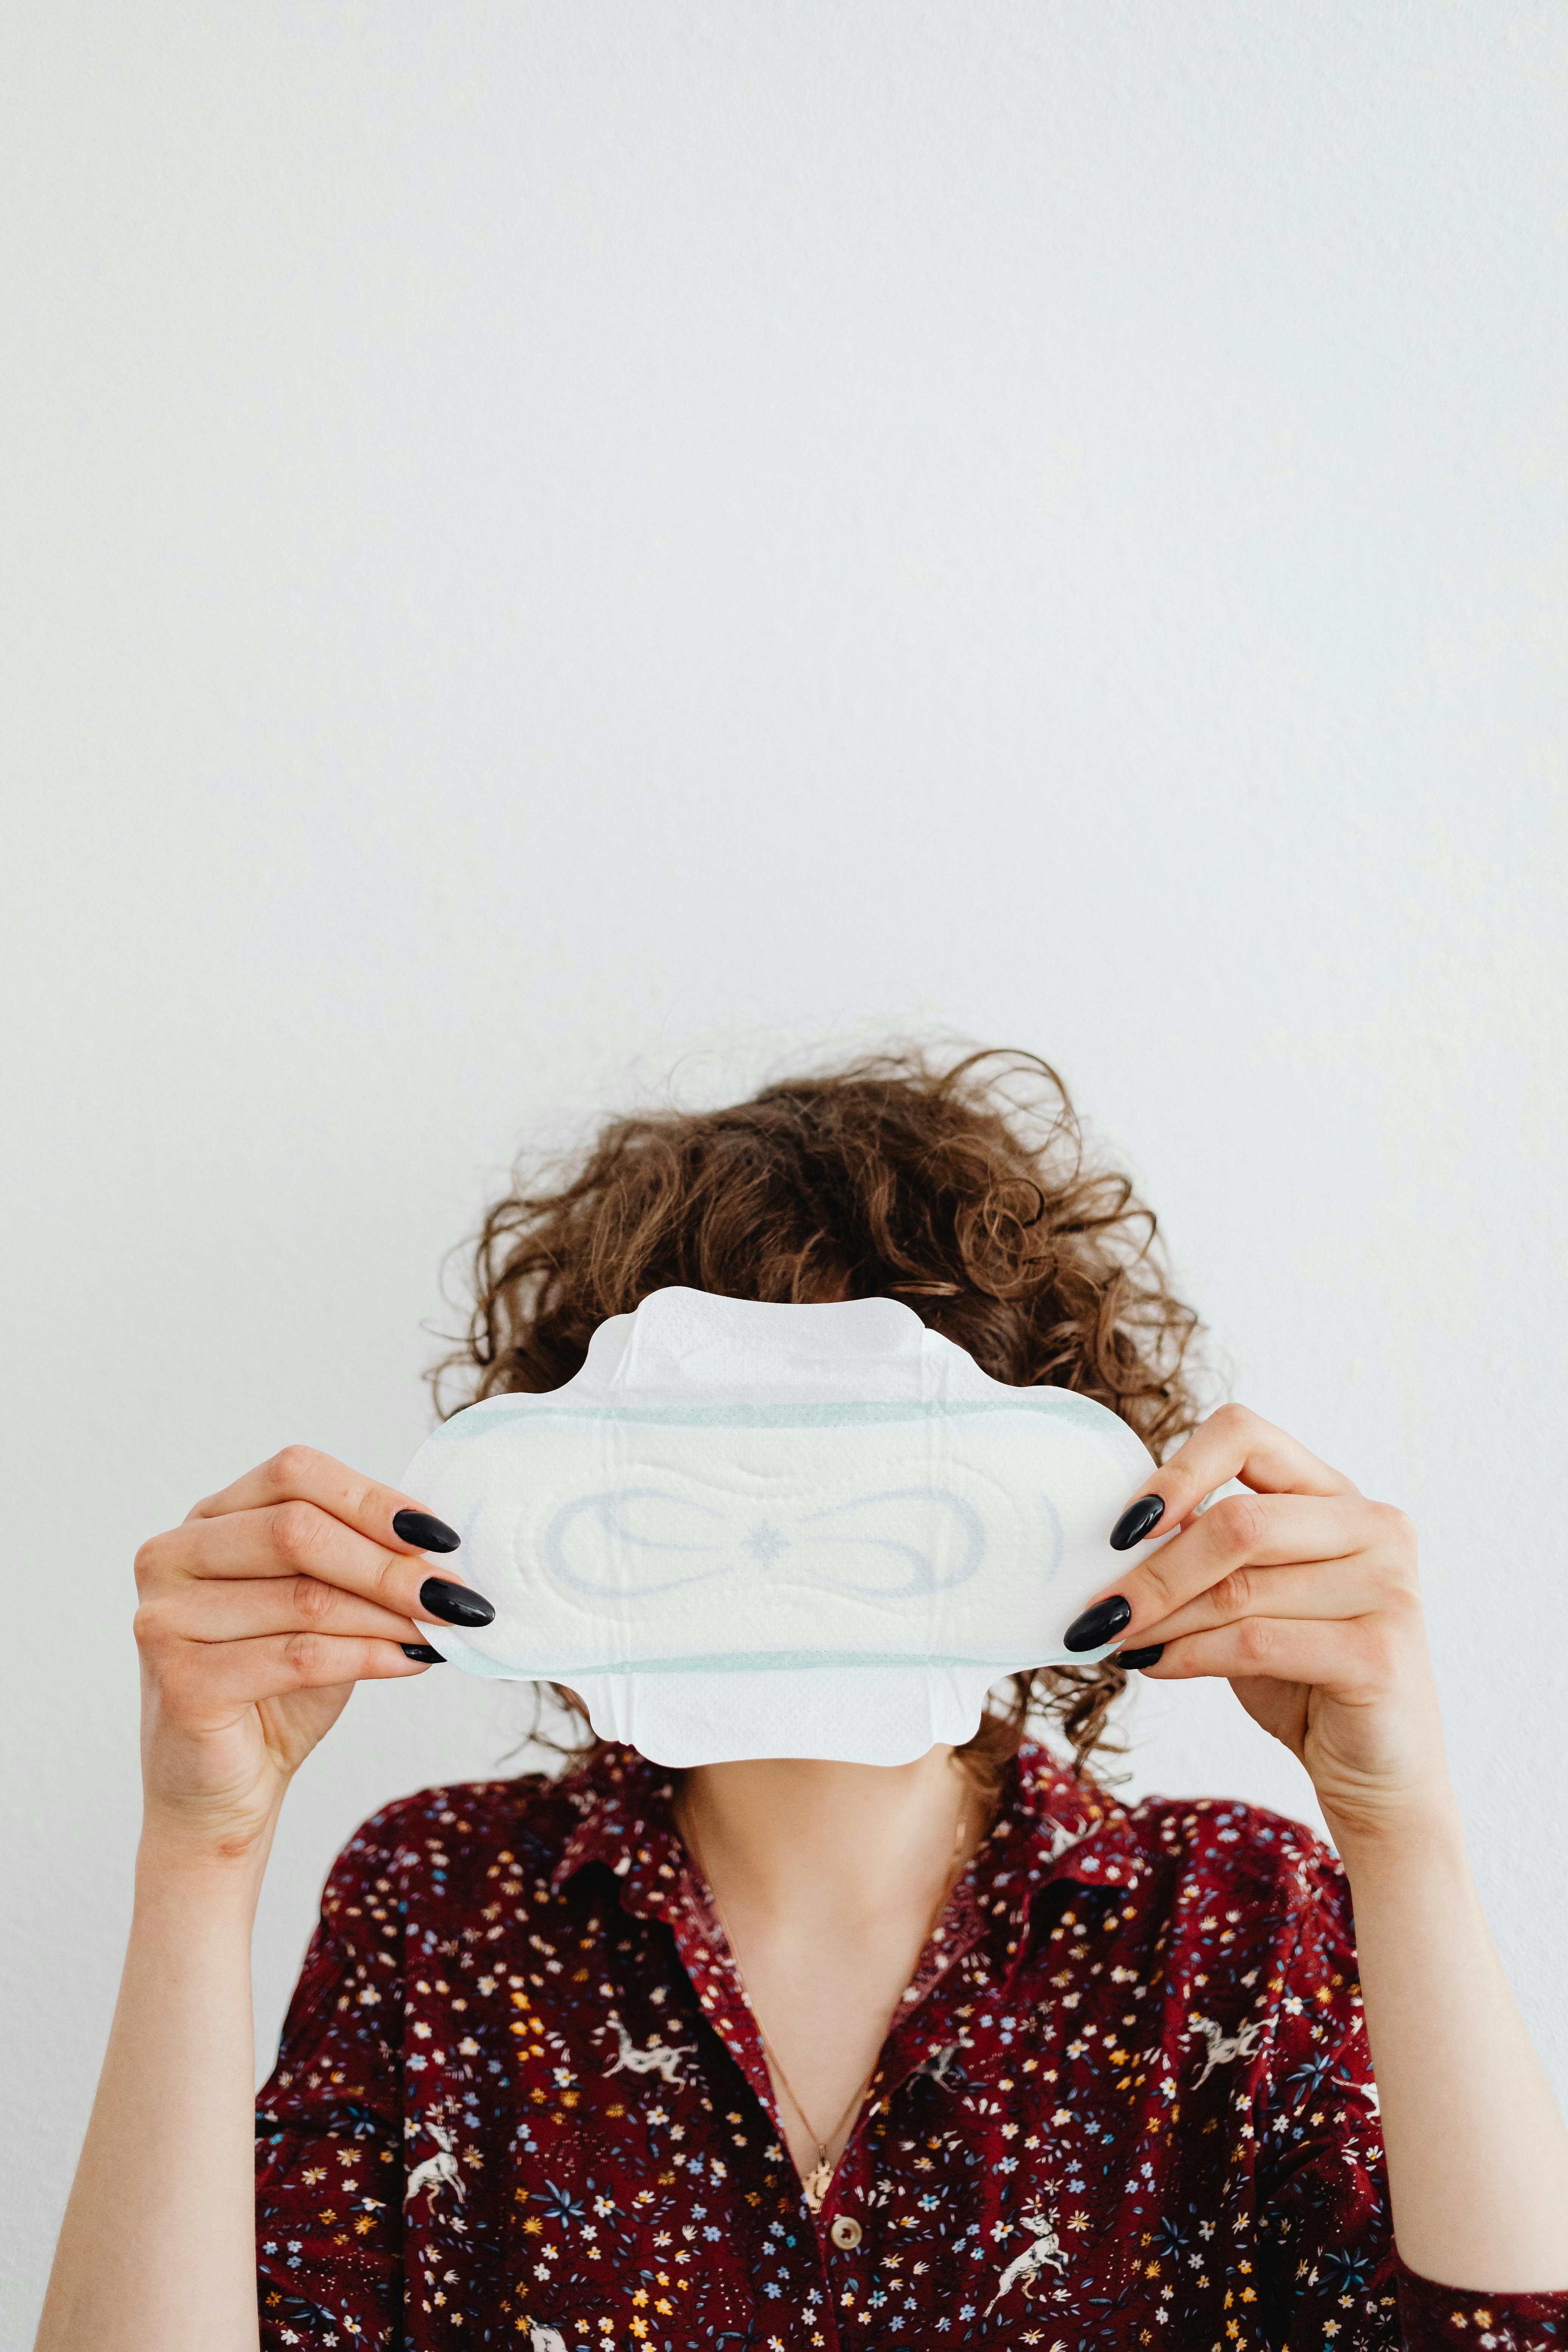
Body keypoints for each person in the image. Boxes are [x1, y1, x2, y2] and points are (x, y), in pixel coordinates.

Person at [35, 1050, 1568, 2351]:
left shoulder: (1229, 1919)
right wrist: (199, 1854)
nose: (783, 1538)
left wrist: (1403, 1825)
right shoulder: (437, 1905)